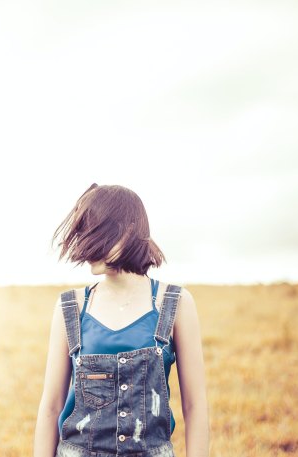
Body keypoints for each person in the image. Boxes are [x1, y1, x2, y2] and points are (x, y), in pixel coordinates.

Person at [33, 183, 210, 457]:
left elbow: (195, 406)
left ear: (127, 231)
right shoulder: (70, 307)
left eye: (95, 234)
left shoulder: (176, 303)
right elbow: (51, 406)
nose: (84, 247)